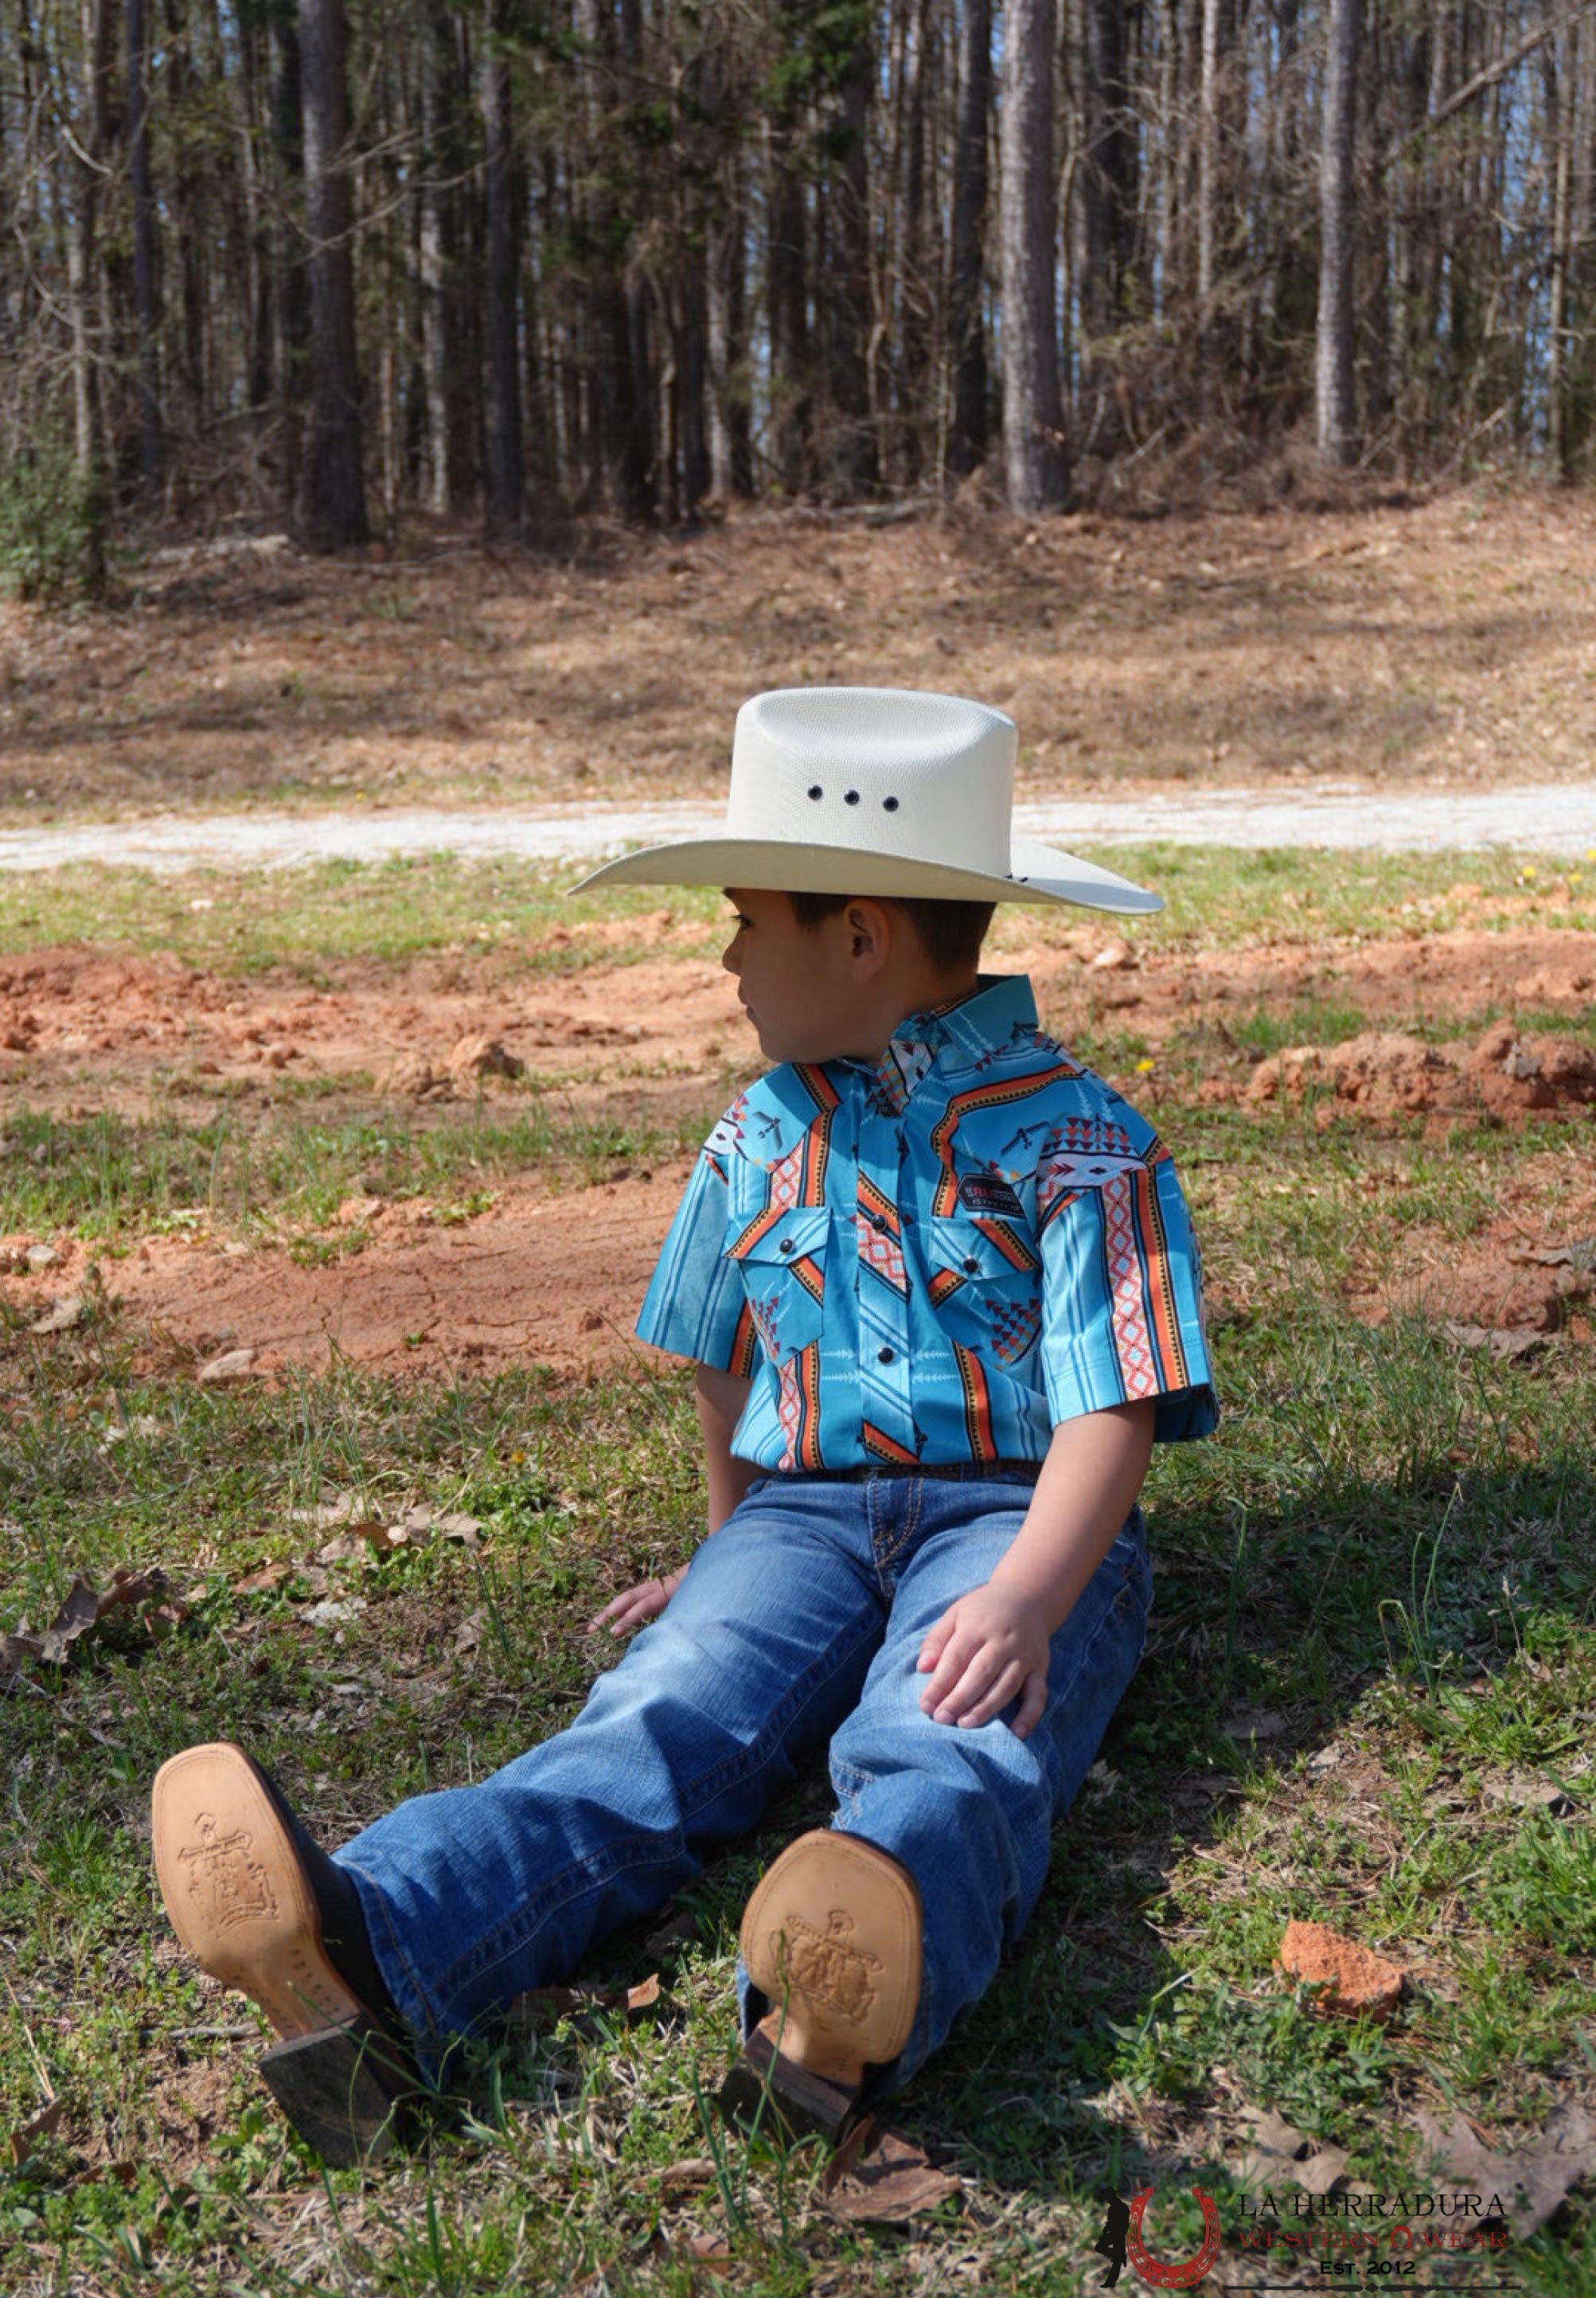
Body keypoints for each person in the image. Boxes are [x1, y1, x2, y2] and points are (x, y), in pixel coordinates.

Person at [152, 688, 1216, 2166]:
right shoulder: (754, 1135)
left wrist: (1035, 1597)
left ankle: (842, 1985)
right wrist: (721, 1559)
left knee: (948, 1730)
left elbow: (1113, 1399)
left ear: (859, 938)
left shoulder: (1080, 1139)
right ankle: (379, 1941)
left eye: (744, 921)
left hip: (1011, 1519)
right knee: (657, 1713)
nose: (724, 961)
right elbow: (721, 1365)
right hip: (800, 1518)